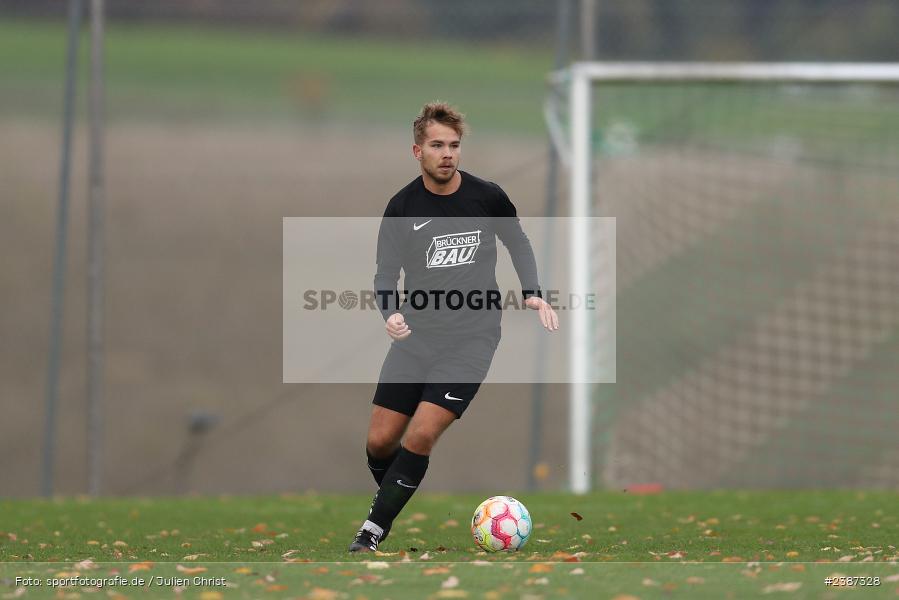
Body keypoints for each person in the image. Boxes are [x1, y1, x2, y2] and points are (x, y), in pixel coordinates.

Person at [348, 102, 559, 552]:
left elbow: (517, 242)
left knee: (421, 434)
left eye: (454, 145)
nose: (447, 153)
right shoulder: (402, 207)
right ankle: (390, 498)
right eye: (437, 145)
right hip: (416, 337)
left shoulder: (487, 197)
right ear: (417, 151)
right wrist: (392, 314)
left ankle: (372, 531)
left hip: (472, 339)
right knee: (381, 441)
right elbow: (385, 277)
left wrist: (532, 290)